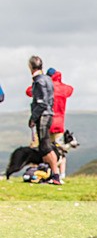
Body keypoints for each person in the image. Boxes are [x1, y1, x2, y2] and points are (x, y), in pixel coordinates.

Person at [27, 67, 73, 179]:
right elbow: (70, 89)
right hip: (59, 124)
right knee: (60, 150)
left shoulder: (43, 85)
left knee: (37, 148)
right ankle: (61, 173)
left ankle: (34, 172)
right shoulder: (64, 88)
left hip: (45, 120)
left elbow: (29, 91)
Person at [27, 56, 61, 185]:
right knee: (44, 145)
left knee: (45, 146)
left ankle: (55, 175)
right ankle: (51, 174)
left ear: (30, 67)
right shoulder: (47, 79)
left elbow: (41, 103)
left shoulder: (39, 81)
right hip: (48, 114)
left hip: (43, 115)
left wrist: (33, 118)